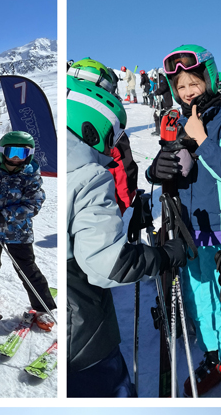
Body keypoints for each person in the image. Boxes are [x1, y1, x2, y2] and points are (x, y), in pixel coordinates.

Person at [66, 60, 186, 397]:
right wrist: (161, 258)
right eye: (110, 136)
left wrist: (127, 213)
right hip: (88, 340)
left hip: (82, 307)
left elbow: (125, 175)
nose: (110, 146)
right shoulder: (88, 174)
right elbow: (107, 265)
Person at [148, 45, 221, 397]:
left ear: (210, 79)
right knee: (195, 298)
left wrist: (203, 138)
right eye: (181, 87)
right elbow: (169, 167)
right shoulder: (176, 122)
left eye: (194, 83)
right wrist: (157, 168)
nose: (188, 92)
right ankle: (215, 355)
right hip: (186, 227)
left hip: (219, 229)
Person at [0, 131, 56, 327]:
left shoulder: (31, 177)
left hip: (18, 232)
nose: (16, 157)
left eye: (22, 153)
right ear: (2, 152)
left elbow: (33, 204)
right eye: (12, 151)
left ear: (29, 154)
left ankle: (43, 307)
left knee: (27, 269)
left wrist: (3, 215)